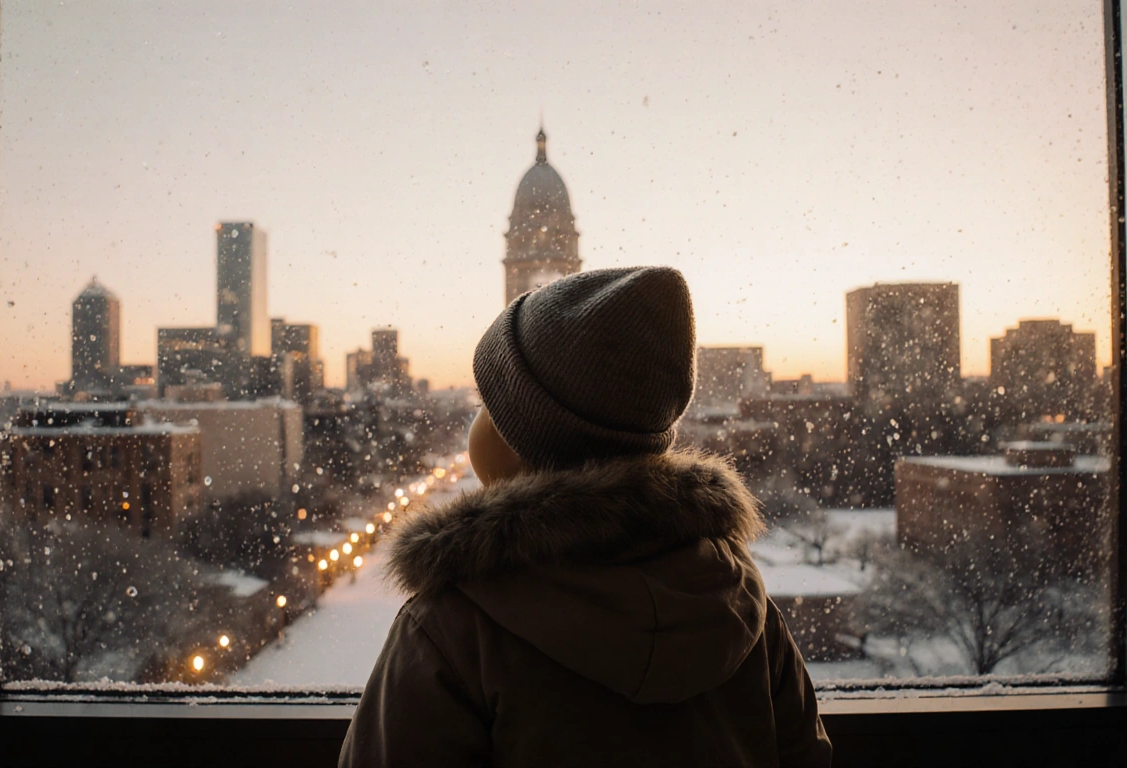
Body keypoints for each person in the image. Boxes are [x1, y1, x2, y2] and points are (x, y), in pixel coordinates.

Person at [339, 267, 832, 767]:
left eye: (487, 403)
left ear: (522, 441)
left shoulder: (454, 627)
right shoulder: (737, 601)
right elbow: (805, 755)